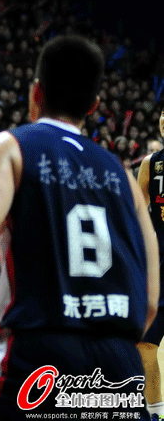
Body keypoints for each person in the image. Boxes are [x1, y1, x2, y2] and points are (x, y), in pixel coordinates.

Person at [0, 34, 159, 419]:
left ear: (35, 94)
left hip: (40, 351)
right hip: (118, 363)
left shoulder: (6, 148)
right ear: (93, 105)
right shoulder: (123, 176)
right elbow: (150, 299)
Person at [137, 104, 164, 420]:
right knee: (145, 347)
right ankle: (155, 414)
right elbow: (136, 211)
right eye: (161, 116)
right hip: (159, 271)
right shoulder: (151, 164)